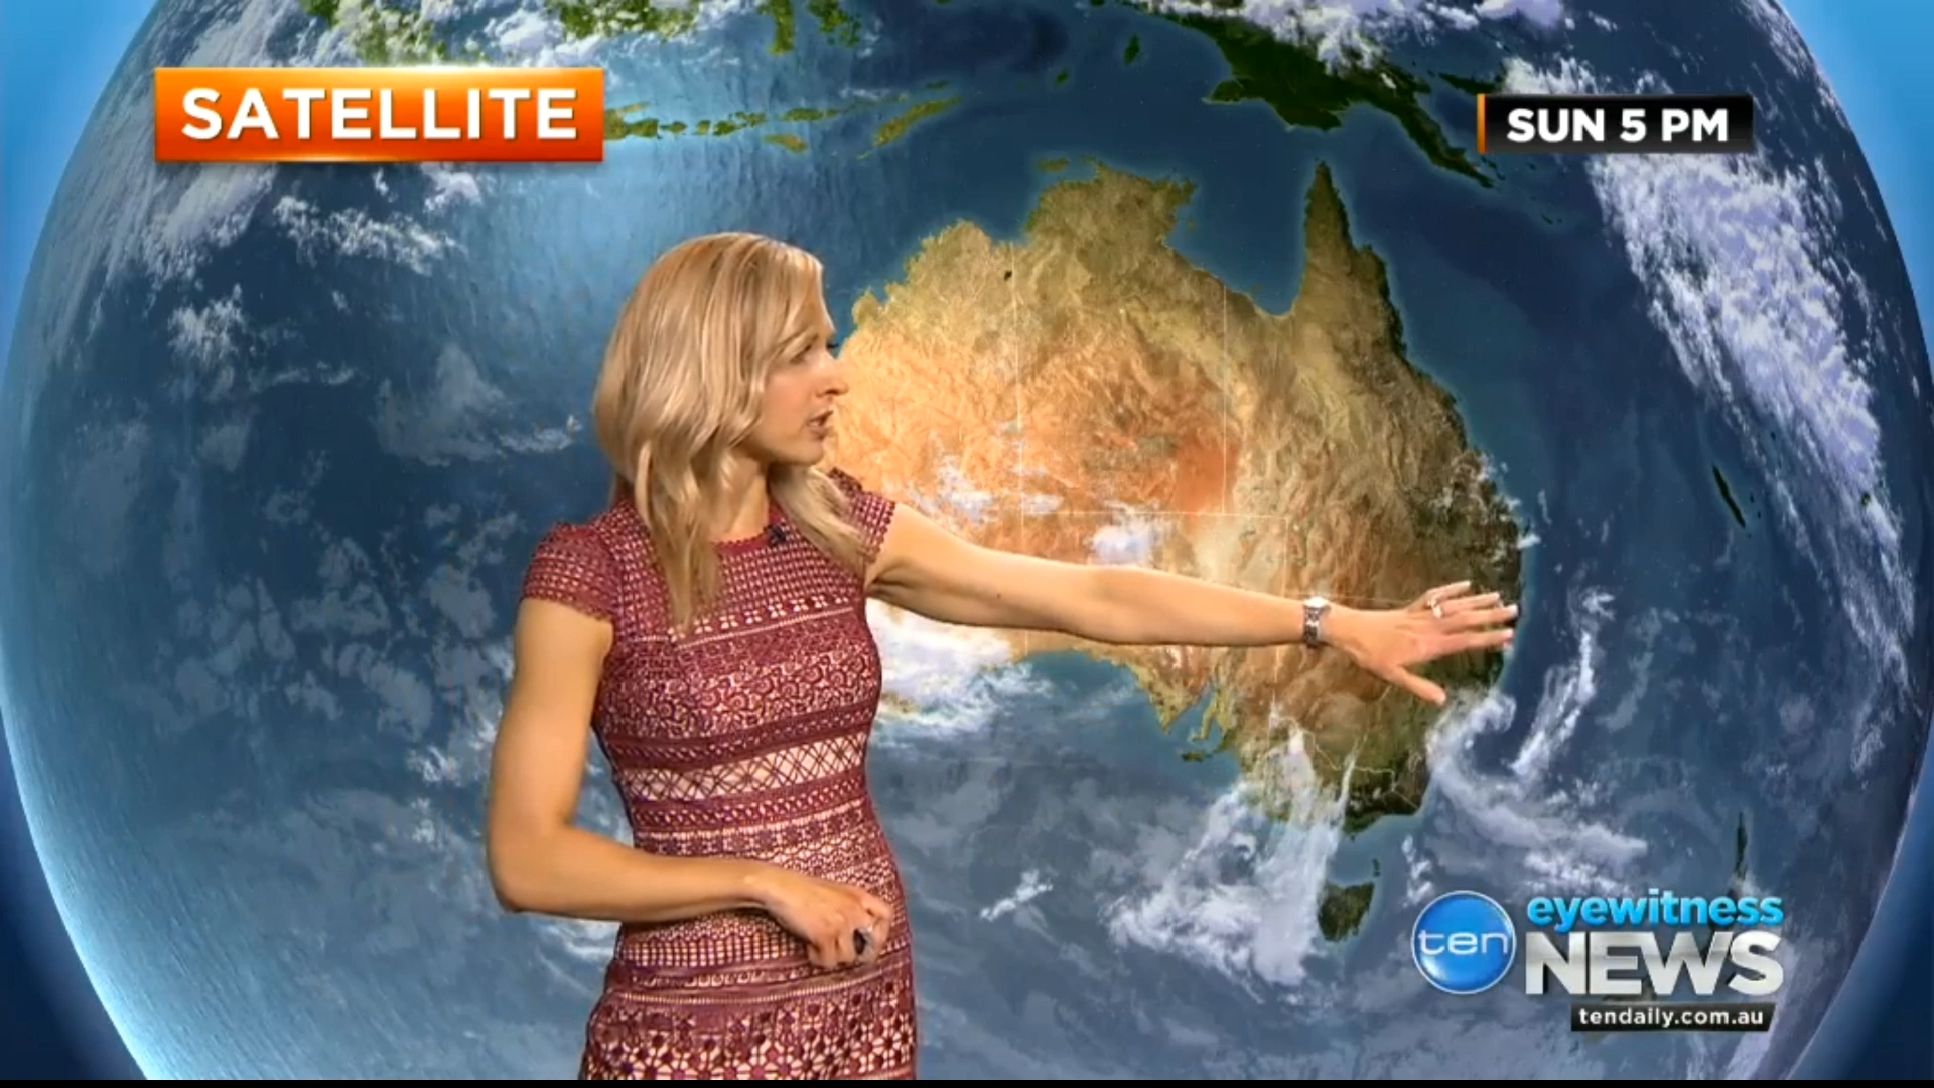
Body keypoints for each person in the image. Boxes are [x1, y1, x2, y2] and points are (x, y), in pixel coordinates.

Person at [484, 231, 1517, 1080]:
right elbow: (529, 859)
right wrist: (764, 884)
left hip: (861, 1014)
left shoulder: (841, 531)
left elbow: (1090, 596)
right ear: (717, 370)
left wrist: (1328, 622)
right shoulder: (589, 575)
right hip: (691, 1037)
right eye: (804, 353)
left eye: (829, 345)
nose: (838, 376)